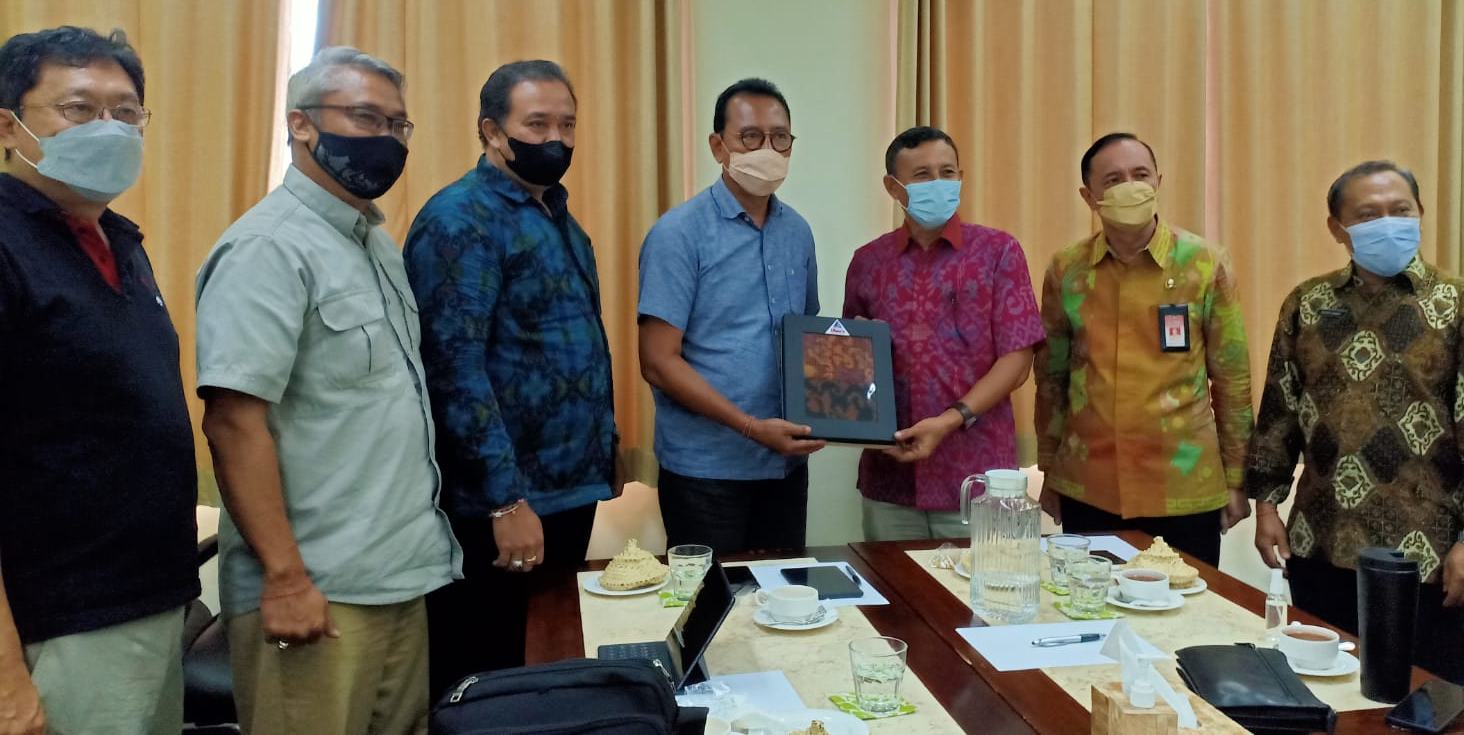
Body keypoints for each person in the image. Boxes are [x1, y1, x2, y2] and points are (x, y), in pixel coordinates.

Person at [195, 46, 461, 735]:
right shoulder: (268, 248)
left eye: (398, 125)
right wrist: (285, 577)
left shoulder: (374, 244)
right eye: (366, 118)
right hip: (313, 589)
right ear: (301, 124)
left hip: (396, 575)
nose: (387, 138)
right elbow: (232, 423)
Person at [1245, 160, 1464, 685]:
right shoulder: (1308, 304)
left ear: (1420, 213)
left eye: (1401, 210)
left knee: (1416, 699)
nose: (1388, 223)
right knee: (1318, 690)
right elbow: (1279, 410)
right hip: (1319, 539)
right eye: (1368, 215)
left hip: (1424, 552)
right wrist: (1266, 506)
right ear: (1338, 228)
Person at [0, 26, 198, 735]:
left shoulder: (118, 240)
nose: (109, 128)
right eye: (79, 109)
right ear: (9, 128)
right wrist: (6, 679)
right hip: (59, 622)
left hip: (148, 602)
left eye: (127, 111)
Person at [405, 60, 620, 696]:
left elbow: (573, 345)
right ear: (492, 132)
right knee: (486, 677)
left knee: (546, 660)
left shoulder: (560, 219)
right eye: (537, 124)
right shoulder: (460, 219)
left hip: (568, 490)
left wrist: (604, 450)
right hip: (500, 504)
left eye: (567, 124)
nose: (556, 138)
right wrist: (505, 500)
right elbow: (454, 368)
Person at [1034, 132, 1254, 567]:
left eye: (1141, 175)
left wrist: (1236, 478)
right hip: (1090, 484)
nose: (1131, 187)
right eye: (1114, 180)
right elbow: (1051, 377)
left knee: (1188, 604)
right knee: (1090, 602)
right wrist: (1050, 471)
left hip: (1184, 486)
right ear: (1090, 197)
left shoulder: (1204, 263)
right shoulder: (1067, 269)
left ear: (1158, 181)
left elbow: (1233, 379)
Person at [638, 77, 823, 554]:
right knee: (712, 599)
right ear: (718, 146)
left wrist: (841, 408)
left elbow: (807, 340)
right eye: (750, 137)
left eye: (780, 137)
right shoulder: (678, 234)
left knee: (783, 593)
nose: (768, 150)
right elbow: (657, 361)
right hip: (705, 471)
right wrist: (750, 426)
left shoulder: (798, 232)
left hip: (785, 467)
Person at [842, 126, 1045, 539]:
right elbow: (848, 363)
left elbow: (1018, 359)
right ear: (893, 188)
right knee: (891, 582)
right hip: (891, 479)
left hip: (978, 482)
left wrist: (952, 419)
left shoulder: (998, 252)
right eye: (922, 175)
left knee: (986, 582)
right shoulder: (868, 262)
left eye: (947, 172)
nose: (938, 183)